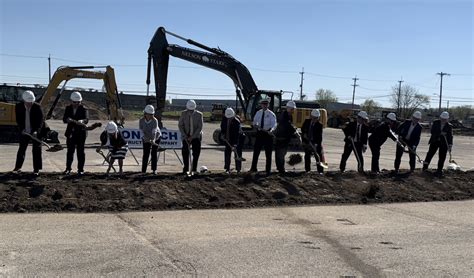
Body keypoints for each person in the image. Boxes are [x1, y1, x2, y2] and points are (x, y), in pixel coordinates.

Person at [13, 90, 44, 175]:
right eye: (28, 102)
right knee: (22, 149)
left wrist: (35, 131)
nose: (30, 104)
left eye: (31, 102)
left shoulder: (37, 107)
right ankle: (18, 167)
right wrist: (22, 129)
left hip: (36, 132)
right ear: (24, 100)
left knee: (36, 150)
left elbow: (40, 121)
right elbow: (18, 120)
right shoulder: (18, 106)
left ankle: (36, 169)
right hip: (25, 131)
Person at [62, 91, 89, 175]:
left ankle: (80, 169)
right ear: (71, 101)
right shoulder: (68, 108)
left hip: (81, 133)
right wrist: (67, 120)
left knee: (80, 152)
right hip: (71, 133)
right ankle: (68, 168)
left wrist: (82, 121)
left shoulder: (84, 109)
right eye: (74, 102)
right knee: (70, 151)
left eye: (78, 102)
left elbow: (86, 119)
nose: (76, 104)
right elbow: (64, 119)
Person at [249, 98, 277, 175]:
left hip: (268, 135)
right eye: (263, 104)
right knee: (256, 152)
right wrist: (255, 125)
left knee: (268, 153)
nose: (264, 105)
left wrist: (271, 130)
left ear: (268, 105)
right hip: (260, 133)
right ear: (261, 105)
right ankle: (253, 168)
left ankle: (268, 170)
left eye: (266, 104)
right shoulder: (258, 113)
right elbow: (254, 121)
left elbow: (274, 124)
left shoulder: (271, 114)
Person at [422, 111, 453, 177]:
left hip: (443, 143)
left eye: (445, 119)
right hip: (434, 141)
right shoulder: (436, 123)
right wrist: (440, 133)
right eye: (442, 119)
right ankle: (425, 168)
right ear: (440, 118)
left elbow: (450, 136)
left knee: (442, 157)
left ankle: (439, 170)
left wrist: (450, 145)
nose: (443, 120)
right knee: (429, 154)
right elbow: (432, 131)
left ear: (447, 119)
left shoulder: (449, 126)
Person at [178, 99, 203, 175]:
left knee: (196, 153)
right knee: (185, 152)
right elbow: (180, 125)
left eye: (192, 110)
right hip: (186, 136)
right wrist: (185, 135)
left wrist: (192, 137)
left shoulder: (199, 115)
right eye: (189, 110)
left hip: (196, 136)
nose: (190, 111)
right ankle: (186, 169)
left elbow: (200, 127)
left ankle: (194, 169)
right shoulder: (183, 114)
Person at [274, 100, 298, 173]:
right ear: (288, 108)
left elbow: (290, 125)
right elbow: (288, 125)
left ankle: (279, 168)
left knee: (281, 154)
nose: (293, 110)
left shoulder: (289, 116)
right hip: (281, 137)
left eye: (293, 109)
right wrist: (296, 132)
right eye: (292, 109)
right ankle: (281, 169)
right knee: (281, 154)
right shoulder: (284, 115)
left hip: (285, 137)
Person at [139, 105, 161, 174]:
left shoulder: (155, 121)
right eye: (148, 114)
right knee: (146, 153)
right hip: (146, 137)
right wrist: (145, 139)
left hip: (156, 137)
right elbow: (141, 131)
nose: (149, 116)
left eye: (151, 114)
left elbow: (154, 131)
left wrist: (153, 140)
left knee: (154, 153)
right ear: (145, 113)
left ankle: (154, 170)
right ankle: (143, 170)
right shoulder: (141, 120)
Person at [220, 107, 243, 173]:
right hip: (228, 139)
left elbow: (237, 134)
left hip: (237, 139)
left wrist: (235, 144)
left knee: (237, 154)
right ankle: (227, 168)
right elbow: (222, 128)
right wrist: (223, 134)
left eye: (230, 117)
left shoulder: (236, 122)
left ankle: (238, 169)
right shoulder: (224, 119)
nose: (229, 118)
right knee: (227, 153)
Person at [301, 109, 324, 174]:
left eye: (316, 118)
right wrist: (304, 136)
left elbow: (319, 136)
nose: (315, 119)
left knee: (319, 157)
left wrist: (316, 144)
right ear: (311, 116)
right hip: (307, 142)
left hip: (316, 143)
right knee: (307, 156)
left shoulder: (319, 125)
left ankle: (320, 171)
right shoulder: (307, 122)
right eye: (314, 118)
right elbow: (303, 130)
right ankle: (307, 170)